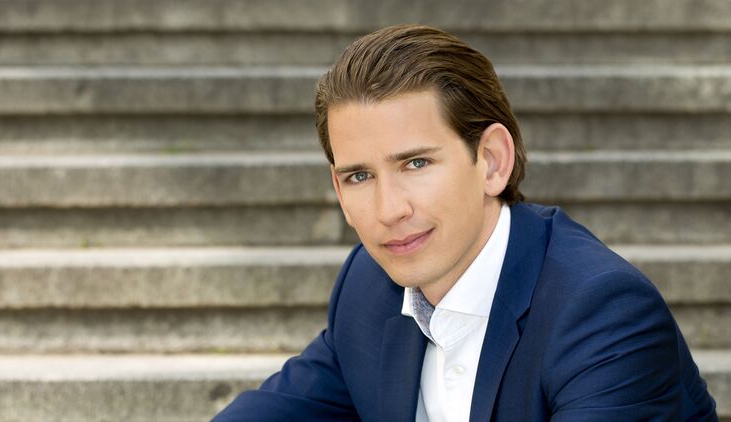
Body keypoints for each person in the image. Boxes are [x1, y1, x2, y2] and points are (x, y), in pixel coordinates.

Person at [213, 24, 717, 421]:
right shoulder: (367, 286)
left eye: (416, 163)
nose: (389, 210)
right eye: (359, 176)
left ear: (492, 161)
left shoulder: (601, 313)